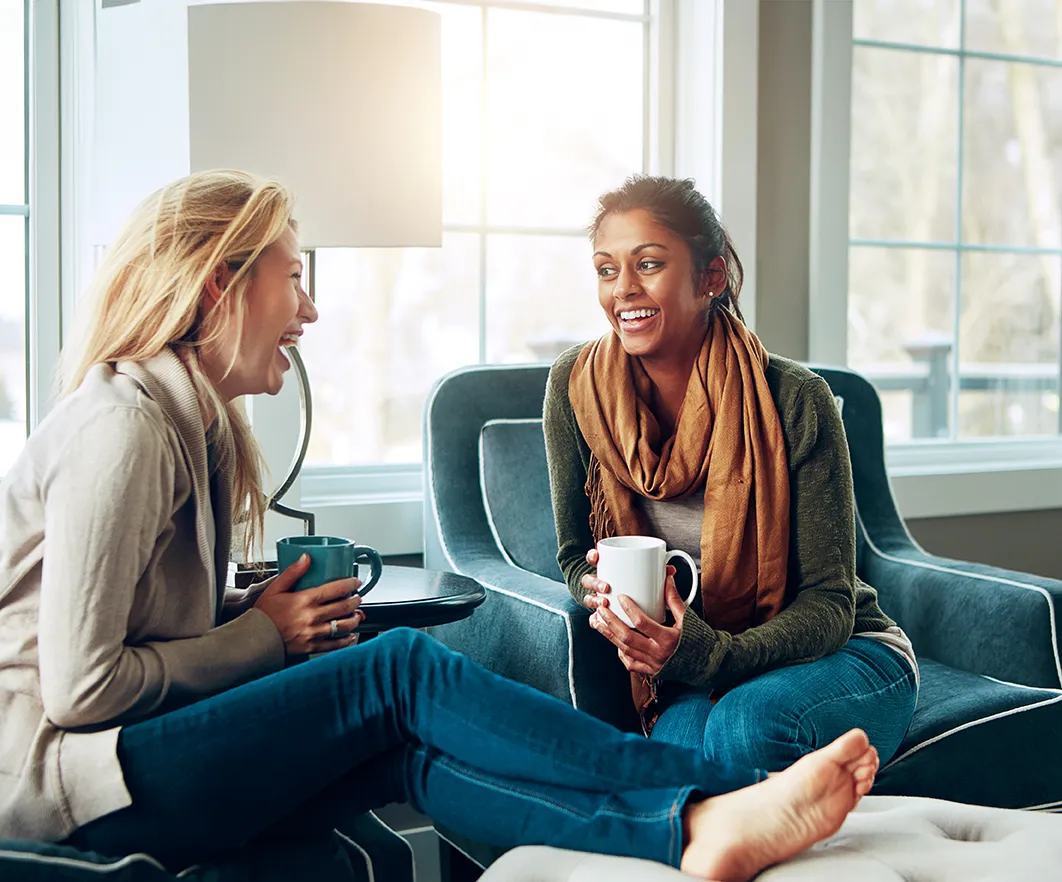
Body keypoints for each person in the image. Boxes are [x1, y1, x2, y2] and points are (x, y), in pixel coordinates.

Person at [0, 170, 880, 882]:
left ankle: (681, 833)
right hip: (68, 786)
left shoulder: (191, 427)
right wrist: (263, 634)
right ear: (219, 285)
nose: (310, 310)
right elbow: (82, 690)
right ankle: (713, 797)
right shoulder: (123, 428)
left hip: (125, 762)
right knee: (399, 669)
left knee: (409, 755)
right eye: (294, 277)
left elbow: (136, 628)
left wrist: (247, 613)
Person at [544, 175, 918, 774]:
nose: (624, 289)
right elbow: (572, 556)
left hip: (843, 655)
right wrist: (610, 600)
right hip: (690, 667)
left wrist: (710, 655)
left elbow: (831, 604)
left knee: (745, 727)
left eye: (649, 264)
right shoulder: (576, 389)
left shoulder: (794, 398)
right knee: (675, 765)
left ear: (711, 277)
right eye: (606, 269)